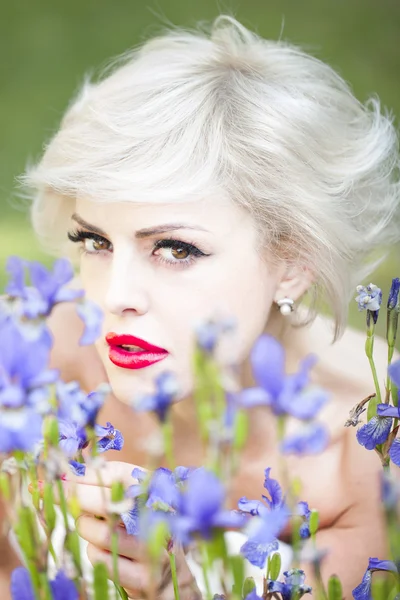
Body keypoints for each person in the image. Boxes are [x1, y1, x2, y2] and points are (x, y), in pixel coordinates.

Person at [2, 14, 400, 599]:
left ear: (291, 260)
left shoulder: (367, 448)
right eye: (95, 242)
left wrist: (182, 589)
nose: (116, 298)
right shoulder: (36, 364)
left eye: (175, 249)